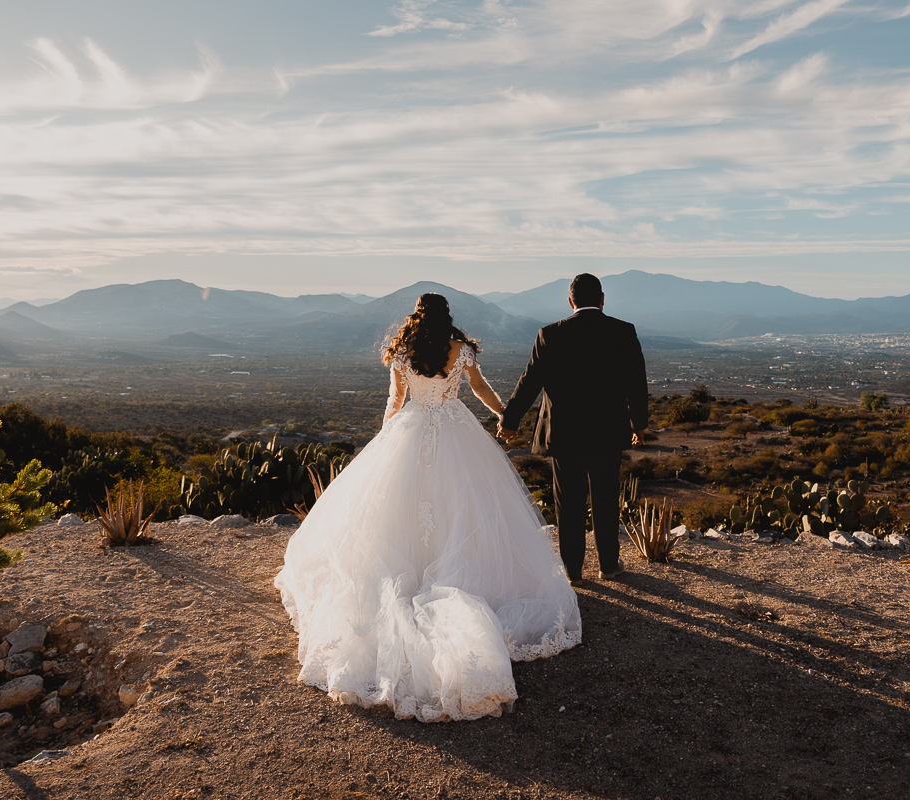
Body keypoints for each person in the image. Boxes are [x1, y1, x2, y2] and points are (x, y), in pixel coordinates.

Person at [275, 293, 581, 722]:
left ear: (417, 317)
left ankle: (414, 574)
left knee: (404, 508)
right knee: (467, 508)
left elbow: (395, 400)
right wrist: (504, 414)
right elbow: (479, 389)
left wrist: (386, 438)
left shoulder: (402, 352)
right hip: (457, 431)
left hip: (411, 430)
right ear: (446, 316)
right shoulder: (462, 350)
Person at [498, 273, 648, 585]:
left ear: (571, 302)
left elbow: (529, 383)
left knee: (568, 505)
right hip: (607, 433)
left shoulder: (550, 334)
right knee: (606, 500)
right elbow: (636, 383)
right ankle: (608, 565)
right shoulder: (623, 331)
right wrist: (639, 424)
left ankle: (573, 572)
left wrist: (509, 423)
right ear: (603, 299)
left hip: (564, 434)